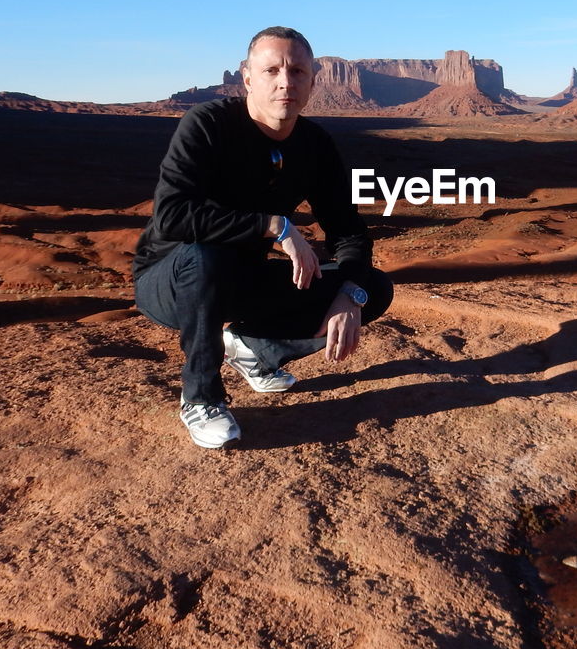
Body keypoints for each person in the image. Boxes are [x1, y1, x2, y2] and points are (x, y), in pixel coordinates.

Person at [133, 27, 393, 448]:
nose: (285, 82)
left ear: (314, 79)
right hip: (172, 281)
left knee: (374, 287)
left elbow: (348, 231)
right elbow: (172, 216)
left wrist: (350, 291)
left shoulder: (315, 145)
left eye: (297, 71)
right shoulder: (208, 124)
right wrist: (275, 226)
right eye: (271, 70)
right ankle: (201, 397)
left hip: (241, 280)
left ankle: (256, 350)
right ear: (248, 77)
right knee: (207, 256)